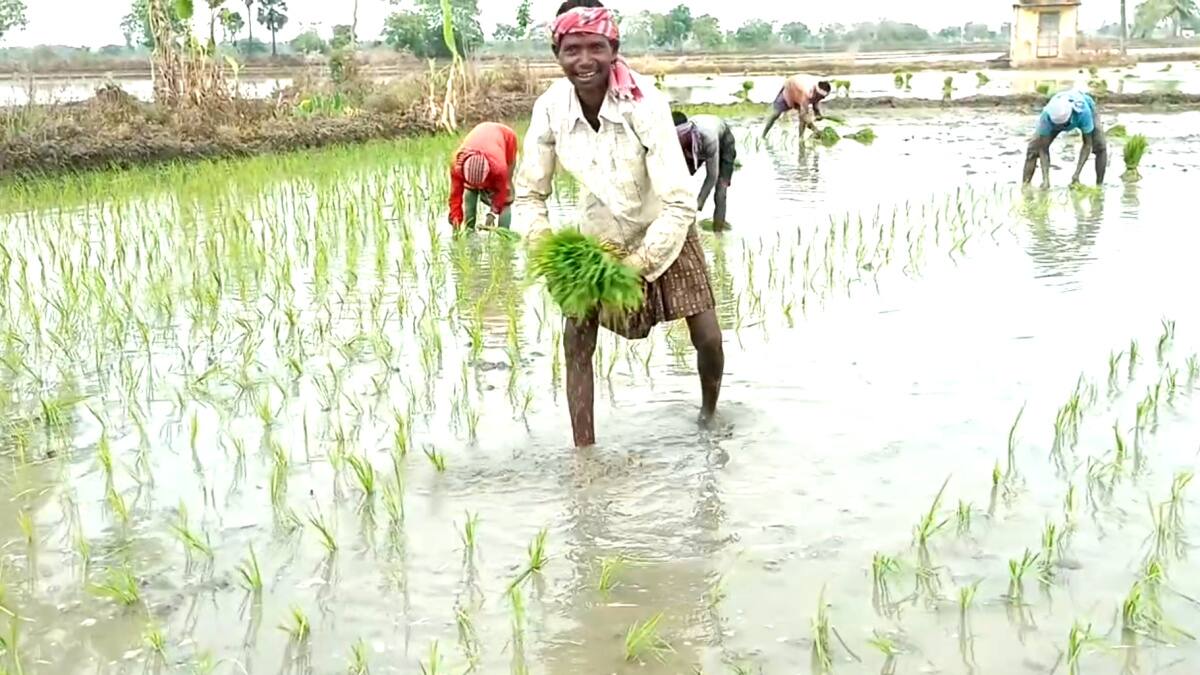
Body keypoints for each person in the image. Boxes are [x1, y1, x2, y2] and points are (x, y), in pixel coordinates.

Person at [513, 0, 725, 448]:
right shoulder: (550, 109)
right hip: (600, 236)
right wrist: (549, 256)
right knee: (576, 339)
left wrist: (641, 263)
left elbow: (681, 201)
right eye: (572, 49)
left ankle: (709, 417)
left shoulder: (644, 103)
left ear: (614, 49)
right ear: (557, 52)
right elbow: (530, 194)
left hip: (663, 224)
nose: (584, 60)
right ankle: (584, 451)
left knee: (706, 334)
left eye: (595, 47)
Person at [1023, 89, 1107, 187]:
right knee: (1033, 149)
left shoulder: (1083, 112)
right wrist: (1046, 180)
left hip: (1086, 105)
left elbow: (1087, 144)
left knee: (1100, 145)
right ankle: (1025, 186)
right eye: (1059, 125)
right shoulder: (1046, 117)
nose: (1062, 128)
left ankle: (1099, 186)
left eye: (1064, 124)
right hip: (1054, 119)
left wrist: (1076, 175)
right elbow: (1043, 148)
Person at [672, 111, 737, 230]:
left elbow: (712, 176)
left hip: (724, 143)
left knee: (720, 193)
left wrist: (698, 203)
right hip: (696, 143)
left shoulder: (709, 139)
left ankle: (718, 233)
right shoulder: (677, 136)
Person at [449, 122, 518, 230]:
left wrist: (493, 213)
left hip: (506, 139)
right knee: (470, 190)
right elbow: (455, 197)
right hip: (481, 133)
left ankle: (504, 235)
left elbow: (502, 192)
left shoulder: (499, 168)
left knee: (506, 198)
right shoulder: (457, 166)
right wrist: (455, 220)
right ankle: (469, 229)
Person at [762, 75, 833, 139]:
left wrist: (817, 114)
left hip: (799, 90)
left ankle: (800, 138)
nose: (823, 99)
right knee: (776, 114)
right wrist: (815, 130)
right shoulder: (807, 92)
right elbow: (804, 115)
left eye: (824, 97)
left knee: (803, 118)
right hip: (790, 90)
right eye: (821, 97)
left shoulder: (816, 93)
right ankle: (763, 135)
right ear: (817, 93)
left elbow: (815, 104)